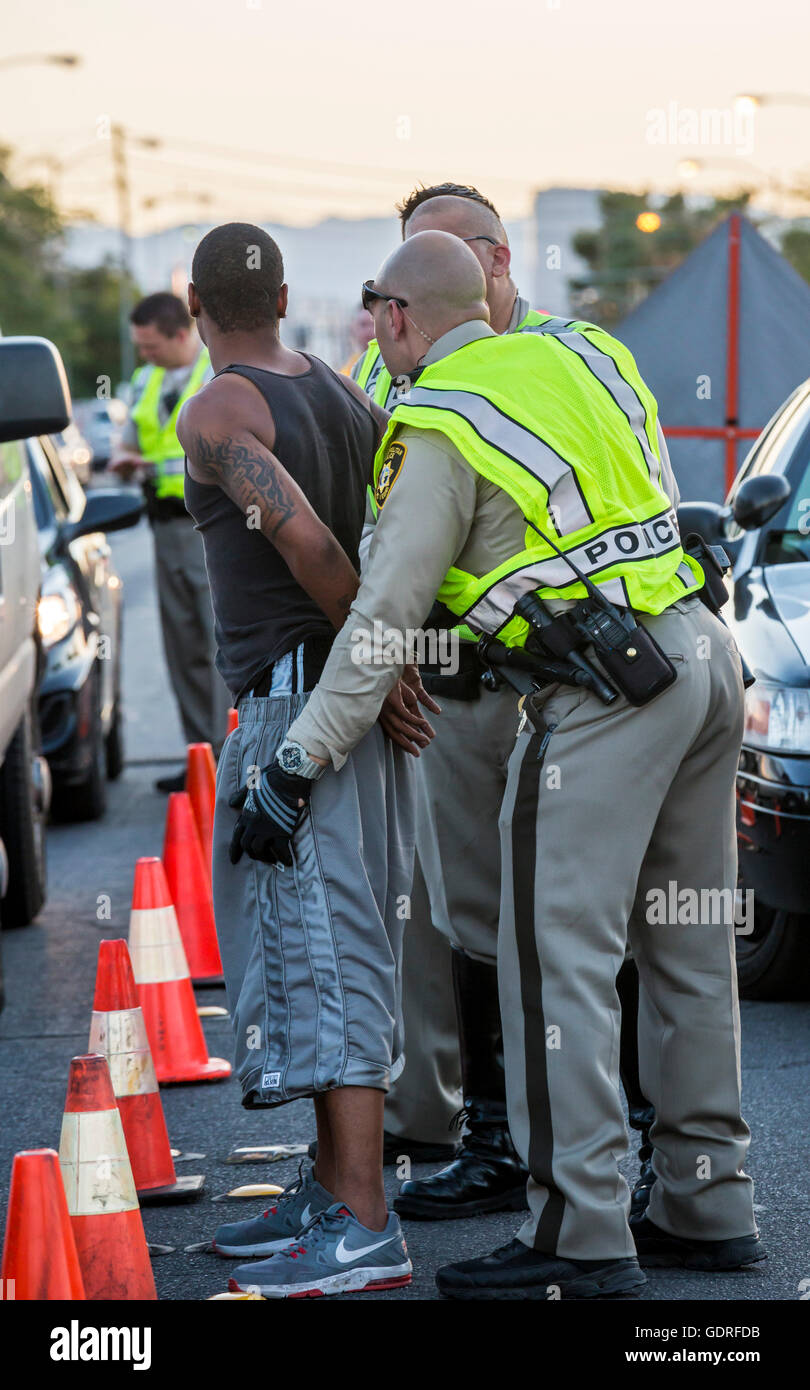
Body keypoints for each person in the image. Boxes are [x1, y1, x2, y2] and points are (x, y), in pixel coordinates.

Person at [254, 229, 761, 1300]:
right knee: (687, 942)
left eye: (374, 309)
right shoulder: (586, 355)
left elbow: (385, 621)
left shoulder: (437, 418)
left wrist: (295, 764)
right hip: (703, 655)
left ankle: (579, 1234)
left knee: (551, 957)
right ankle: (708, 1203)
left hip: (600, 696)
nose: (370, 331)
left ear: (397, 317)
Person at [358, 184, 653, 1222]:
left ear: (488, 257)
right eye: (400, 265)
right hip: (455, 688)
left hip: (581, 683)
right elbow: (381, 536)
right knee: (464, 921)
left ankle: (619, 1153)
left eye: (424, 259)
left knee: (578, 931)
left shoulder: (579, 352)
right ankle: (486, 1135)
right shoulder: (383, 364)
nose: (398, 300)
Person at [177, 222, 431, 1299]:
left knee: (329, 957)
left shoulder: (220, 409)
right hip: (342, 698)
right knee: (336, 938)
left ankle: (364, 1228)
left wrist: (376, 661)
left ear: (196, 307)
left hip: (301, 704)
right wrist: (380, 664)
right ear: (283, 295)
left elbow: (317, 547)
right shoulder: (340, 387)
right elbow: (387, 529)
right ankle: (334, 1191)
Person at [110, 292, 229, 790]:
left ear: (182, 334)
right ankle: (199, 756)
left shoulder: (216, 376)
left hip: (207, 527)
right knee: (181, 648)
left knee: (220, 646)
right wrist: (123, 455)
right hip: (162, 527)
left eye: (151, 345)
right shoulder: (145, 379)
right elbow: (132, 439)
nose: (145, 355)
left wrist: (149, 465)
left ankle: (231, 756)